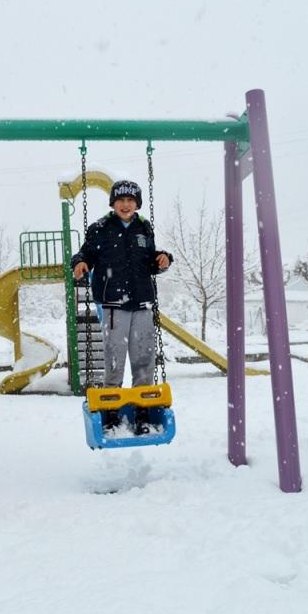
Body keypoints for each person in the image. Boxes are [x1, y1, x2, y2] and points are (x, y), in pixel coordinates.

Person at [70, 179, 173, 435]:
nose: (125, 205)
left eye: (130, 201)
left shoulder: (143, 228)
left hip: (143, 303)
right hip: (114, 304)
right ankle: (112, 413)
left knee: (144, 360)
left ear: (137, 204)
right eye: (120, 200)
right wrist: (80, 263)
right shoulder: (100, 228)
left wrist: (162, 259)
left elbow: (149, 262)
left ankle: (143, 413)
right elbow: (84, 254)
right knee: (114, 359)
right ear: (113, 203)